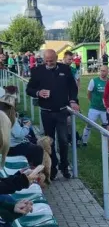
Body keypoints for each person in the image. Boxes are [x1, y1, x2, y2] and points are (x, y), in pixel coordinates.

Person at [26, 49, 79, 180]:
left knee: (64, 141)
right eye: (46, 61)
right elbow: (29, 89)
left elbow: (73, 87)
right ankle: (53, 167)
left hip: (61, 111)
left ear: (56, 58)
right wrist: (39, 92)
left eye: (51, 61)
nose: (49, 63)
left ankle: (64, 166)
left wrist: (72, 100)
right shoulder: (38, 71)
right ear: (43, 59)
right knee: (49, 142)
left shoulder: (65, 69)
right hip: (46, 112)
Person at [82, 65, 109, 146]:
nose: (102, 72)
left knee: (106, 127)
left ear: (107, 72)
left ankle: (105, 144)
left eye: (104, 71)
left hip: (105, 109)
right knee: (89, 125)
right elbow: (89, 93)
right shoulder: (94, 81)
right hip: (94, 108)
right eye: (101, 70)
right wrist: (93, 102)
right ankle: (84, 141)